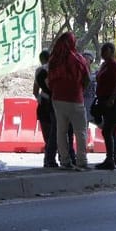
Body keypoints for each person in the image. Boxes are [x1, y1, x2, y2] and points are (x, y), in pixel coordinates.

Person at [47, 31, 90, 170]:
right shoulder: (78, 59)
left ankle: (65, 161)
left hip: (58, 99)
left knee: (61, 131)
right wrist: (80, 89)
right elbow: (87, 79)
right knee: (80, 131)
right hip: (76, 99)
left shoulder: (54, 60)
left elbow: (48, 81)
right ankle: (81, 160)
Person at [94, 42, 116, 170]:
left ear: (111, 51)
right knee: (111, 131)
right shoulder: (104, 65)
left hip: (112, 101)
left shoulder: (114, 65)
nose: (103, 53)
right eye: (102, 50)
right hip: (103, 99)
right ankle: (113, 158)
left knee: (108, 130)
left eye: (105, 50)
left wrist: (112, 98)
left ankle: (110, 159)